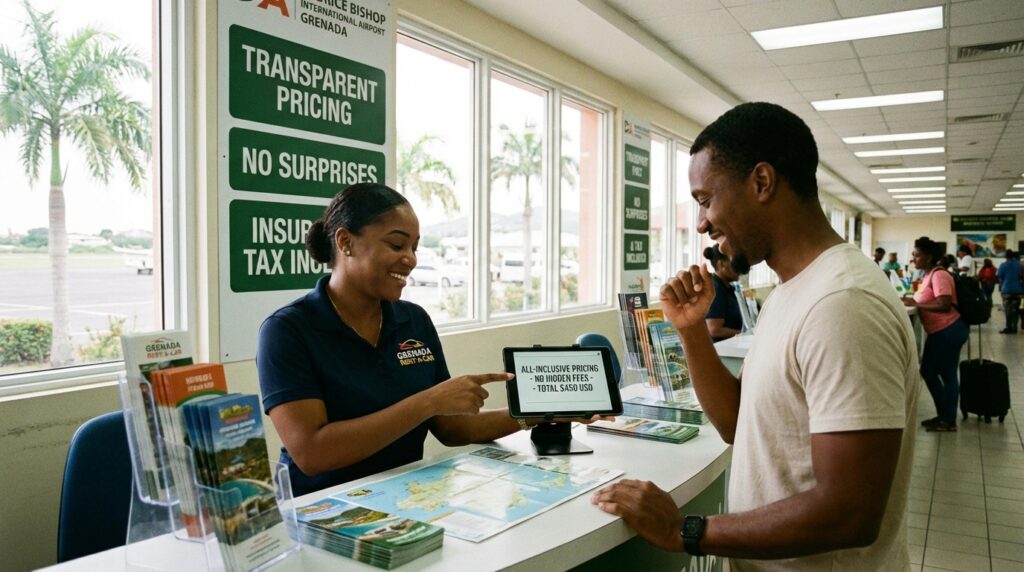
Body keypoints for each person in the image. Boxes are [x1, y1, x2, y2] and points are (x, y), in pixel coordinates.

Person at [591, 102, 919, 570]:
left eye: (706, 199)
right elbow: (737, 424)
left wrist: (684, 530)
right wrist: (691, 333)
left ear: (762, 182)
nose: (702, 222)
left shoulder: (843, 304)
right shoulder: (794, 290)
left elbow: (850, 512)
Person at [257, 183, 600, 496]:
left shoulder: (413, 320)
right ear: (345, 242)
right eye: (396, 244)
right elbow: (312, 453)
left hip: (403, 499)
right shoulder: (287, 331)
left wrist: (539, 412)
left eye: (414, 247)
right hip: (322, 509)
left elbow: (450, 428)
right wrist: (429, 401)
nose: (410, 259)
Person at [901, 237, 968, 432]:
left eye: (917, 255)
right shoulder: (928, 275)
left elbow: (944, 304)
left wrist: (916, 304)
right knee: (929, 371)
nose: (914, 258)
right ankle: (944, 415)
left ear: (929, 257)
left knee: (946, 374)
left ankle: (948, 420)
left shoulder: (939, 275)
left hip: (949, 329)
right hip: (940, 331)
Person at [703, 245, 743, 342]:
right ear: (721, 264)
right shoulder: (716, 289)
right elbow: (714, 330)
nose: (739, 268)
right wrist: (743, 334)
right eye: (735, 263)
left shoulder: (728, 288)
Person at [996, 250, 1023, 334]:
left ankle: (1009, 327)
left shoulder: (1003, 265)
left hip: (1007, 290)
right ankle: (1014, 328)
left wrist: (1001, 288)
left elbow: (999, 277)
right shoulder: (1020, 265)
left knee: (1008, 310)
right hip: (1018, 290)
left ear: (1006, 257)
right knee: (1016, 309)